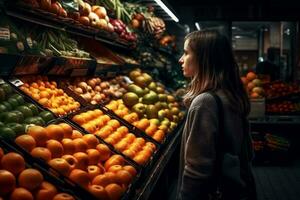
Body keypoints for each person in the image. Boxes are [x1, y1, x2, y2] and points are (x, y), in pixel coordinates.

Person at [177, 30, 257, 200]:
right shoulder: (230, 95)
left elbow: (196, 170)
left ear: (204, 59)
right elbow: (247, 153)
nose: (181, 59)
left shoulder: (204, 103)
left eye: (186, 53)